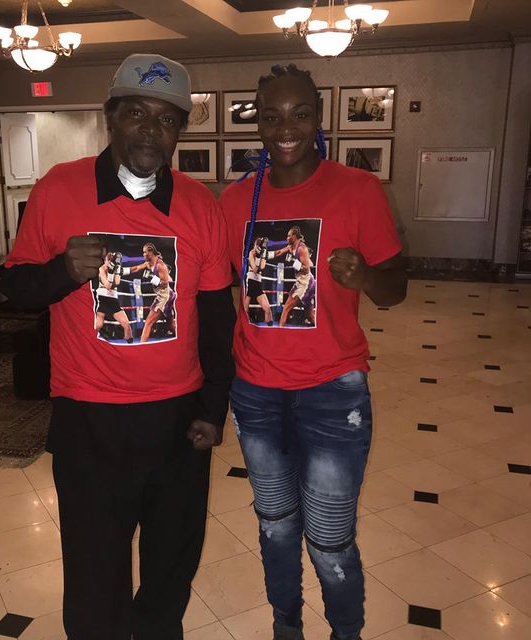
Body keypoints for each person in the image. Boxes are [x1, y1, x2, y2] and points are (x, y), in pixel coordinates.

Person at [0, 53, 236, 640]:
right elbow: (17, 289)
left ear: (180, 130)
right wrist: (61, 270)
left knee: (172, 559)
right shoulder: (59, 189)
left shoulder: (200, 205)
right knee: (93, 564)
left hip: (176, 418)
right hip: (89, 419)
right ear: (111, 117)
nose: (151, 131)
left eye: (167, 119)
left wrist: (213, 407)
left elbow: (215, 319)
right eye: (137, 113)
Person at [220, 64, 407, 640]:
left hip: (332, 392)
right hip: (255, 391)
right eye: (272, 116)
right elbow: (218, 289)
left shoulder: (357, 190)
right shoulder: (233, 201)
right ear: (258, 124)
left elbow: (396, 291)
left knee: (329, 539)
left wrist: (367, 277)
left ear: (318, 118)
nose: (286, 128)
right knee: (275, 526)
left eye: (299, 114)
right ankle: (286, 628)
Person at [123, 242, 176, 341]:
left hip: (165, 296)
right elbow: (136, 268)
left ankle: (141, 348)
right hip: (163, 295)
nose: (143, 255)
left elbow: (166, 283)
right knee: (171, 326)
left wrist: (153, 278)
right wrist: (122, 271)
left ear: (151, 252)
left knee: (148, 323)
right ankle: (182, 337)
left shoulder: (160, 266)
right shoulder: (149, 264)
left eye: (145, 252)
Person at [270, 225, 315, 327]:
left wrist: (294, 261)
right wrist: (265, 255)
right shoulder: (291, 247)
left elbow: (307, 268)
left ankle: (279, 334)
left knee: (286, 308)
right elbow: (279, 252)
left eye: (289, 236)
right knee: (310, 314)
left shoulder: (302, 249)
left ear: (294, 236)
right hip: (300, 282)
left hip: (306, 282)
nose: (287, 238)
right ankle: (322, 330)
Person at [95, 250, 134, 343]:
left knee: (126, 324)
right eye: (108, 261)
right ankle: (86, 341)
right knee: (97, 326)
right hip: (102, 300)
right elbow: (108, 286)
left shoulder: (117, 269)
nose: (109, 263)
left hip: (113, 301)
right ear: (106, 261)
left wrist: (145, 265)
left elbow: (117, 282)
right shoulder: (102, 269)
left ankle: (130, 345)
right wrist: (111, 272)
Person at [245, 236, 273, 325]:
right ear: (256, 245)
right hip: (250, 282)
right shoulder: (251, 253)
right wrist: (257, 257)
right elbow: (255, 269)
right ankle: (245, 329)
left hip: (258, 283)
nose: (259, 247)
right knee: (245, 310)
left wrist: (263, 255)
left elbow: (262, 267)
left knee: (267, 309)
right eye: (259, 245)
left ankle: (270, 330)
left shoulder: (263, 253)